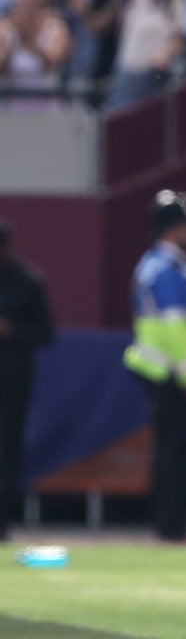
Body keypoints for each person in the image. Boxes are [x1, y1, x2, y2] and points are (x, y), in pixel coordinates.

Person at [123, 189, 186, 540]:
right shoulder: (164, 269)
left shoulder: (174, 267)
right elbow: (174, 328)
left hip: (173, 373)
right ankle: (170, 526)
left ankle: (173, 522)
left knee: (179, 450)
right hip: (171, 373)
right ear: (174, 230)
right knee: (175, 451)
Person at [0, 217, 53, 541]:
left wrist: (11, 332)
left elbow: (46, 332)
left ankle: (2, 522)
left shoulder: (28, 282)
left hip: (12, 380)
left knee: (8, 450)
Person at [105, 0, 186, 111]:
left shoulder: (176, 2)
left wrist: (166, 53)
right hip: (127, 68)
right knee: (119, 113)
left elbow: (180, 39)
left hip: (153, 74)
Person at [0, 0, 71, 107]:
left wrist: (32, 43)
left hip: (44, 100)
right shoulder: (5, 29)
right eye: (20, 5)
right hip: (12, 102)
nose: (24, 11)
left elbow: (54, 62)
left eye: (29, 6)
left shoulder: (55, 28)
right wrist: (12, 43)